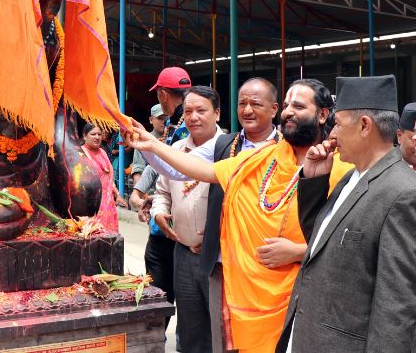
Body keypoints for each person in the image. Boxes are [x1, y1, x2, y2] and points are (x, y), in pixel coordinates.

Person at [127, 78, 346, 352]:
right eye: (288, 105)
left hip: (301, 293)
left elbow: (347, 243)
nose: (289, 111)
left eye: (298, 106)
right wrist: (150, 143)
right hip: (247, 296)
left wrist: (299, 251)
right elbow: (199, 170)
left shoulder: (341, 168)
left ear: (323, 114)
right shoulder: (261, 157)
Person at [276, 75, 416, 352]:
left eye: (337, 124)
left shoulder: (403, 194)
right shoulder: (353, 177)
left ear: (364, 126)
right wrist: (314, 182)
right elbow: (320, 244)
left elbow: (397, 307)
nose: (332, 135)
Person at [151, 86, 223, 353]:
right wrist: (158, 213)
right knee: (191, 330)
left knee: (221, 331)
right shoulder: (177, 149)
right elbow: (161, 192)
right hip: (183, 254)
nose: (193, 117)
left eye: (201, 110)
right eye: (188, 111)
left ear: (217, 113)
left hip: (218, 259)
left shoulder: (231, 150)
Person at [130, 66, 192, 332]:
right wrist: (141, 194)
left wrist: (148, 196)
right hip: (161, 230)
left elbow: (182, 169)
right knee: (160, 298)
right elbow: (162, 165)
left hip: (183, 235)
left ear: (163, 94)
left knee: (181, 305)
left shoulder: (189, 126)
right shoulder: (173, 126)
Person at [81, 123, 126, 233]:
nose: (97, 137)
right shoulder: (81, 153)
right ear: (84, 136)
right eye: (93, 134)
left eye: (99, 134)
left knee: (109, 237)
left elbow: (108, 176)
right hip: (91, 203)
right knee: (93, 235)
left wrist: (117, 194)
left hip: (108, 202)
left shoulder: (103, 152)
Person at [131, 104, 167, 191]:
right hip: (151, 191)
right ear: (151, 120)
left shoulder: (175, 138)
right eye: (160, 118)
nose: (163, 121)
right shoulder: (143, 141)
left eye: (166, 118)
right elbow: (138, 170)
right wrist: (138, 195)